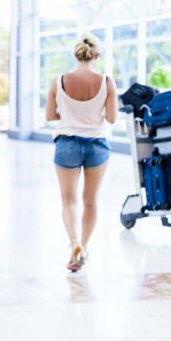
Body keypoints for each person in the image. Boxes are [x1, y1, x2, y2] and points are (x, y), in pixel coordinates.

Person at [45, 33, 117, 272]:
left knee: (69, 200)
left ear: (75, 54)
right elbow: (112, 118)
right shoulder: (107, 81)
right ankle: (84, 248)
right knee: (91, 201)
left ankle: (74, 243)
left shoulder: (59, 80)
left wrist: (69, 113)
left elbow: (49, 116)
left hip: (67, 144)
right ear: (96, 55)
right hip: (97, 144)